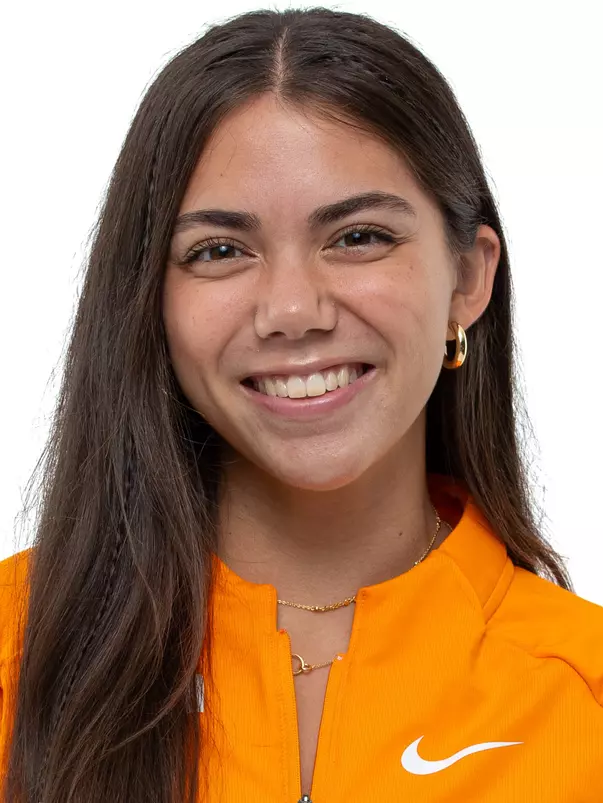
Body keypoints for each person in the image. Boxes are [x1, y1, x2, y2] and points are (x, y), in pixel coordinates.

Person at [1, 6, 602, 802]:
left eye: (356, 237)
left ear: (467, 278)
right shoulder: (16, 650)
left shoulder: (581, 690)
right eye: (219, 251)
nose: (292, 309)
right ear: (150, 297)